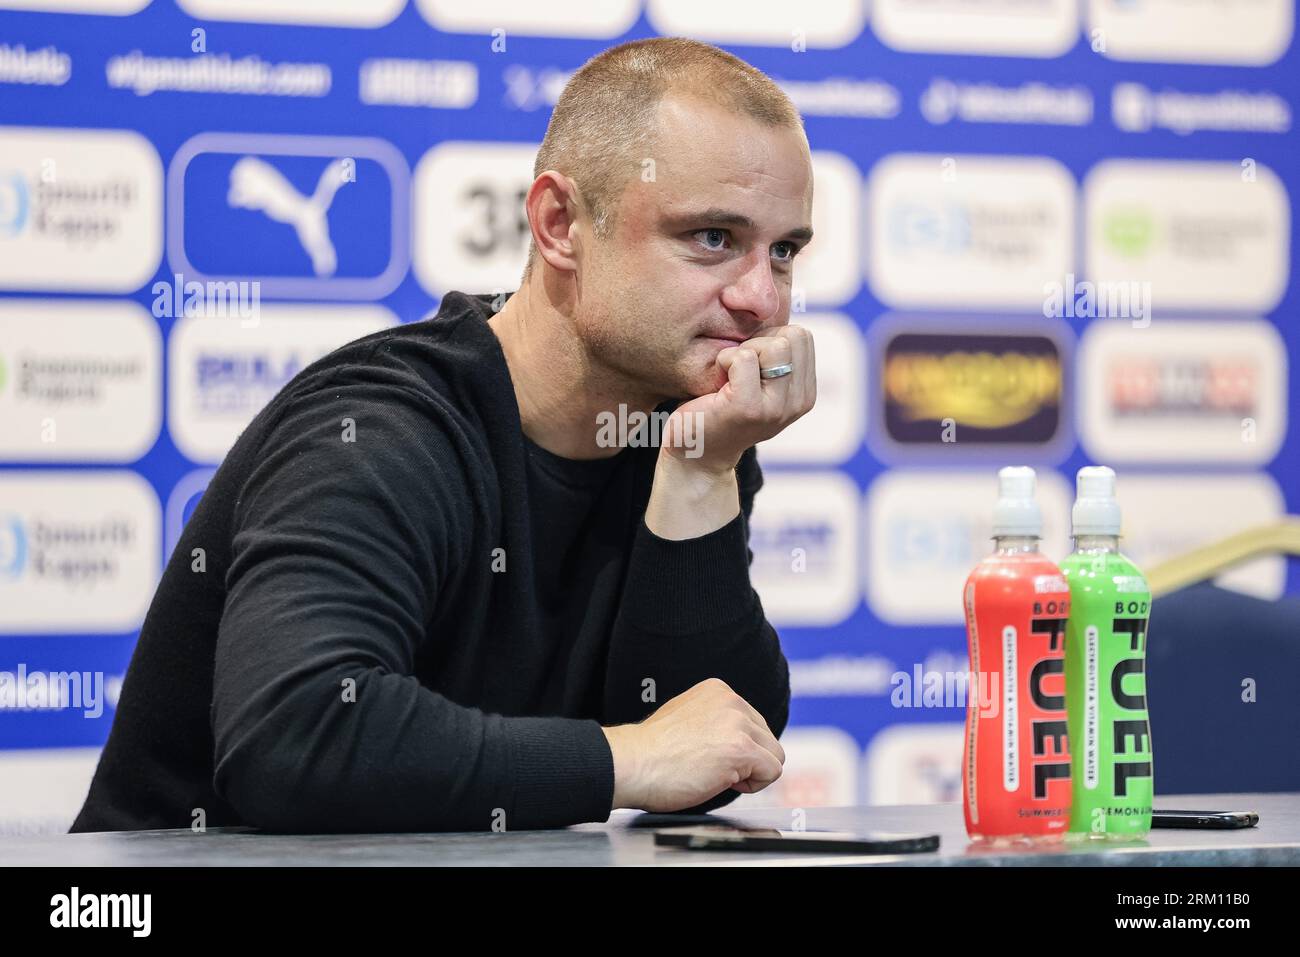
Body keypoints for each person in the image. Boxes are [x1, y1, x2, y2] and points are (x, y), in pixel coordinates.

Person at [71, 36, 816, 833]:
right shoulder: (381, 427)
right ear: (561, 223)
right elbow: (295, 734)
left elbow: (717, 746)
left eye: (782, 251)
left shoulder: (684, 425)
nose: (761, 300)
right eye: (713, 238)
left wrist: (702, 473)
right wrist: (624, 759)